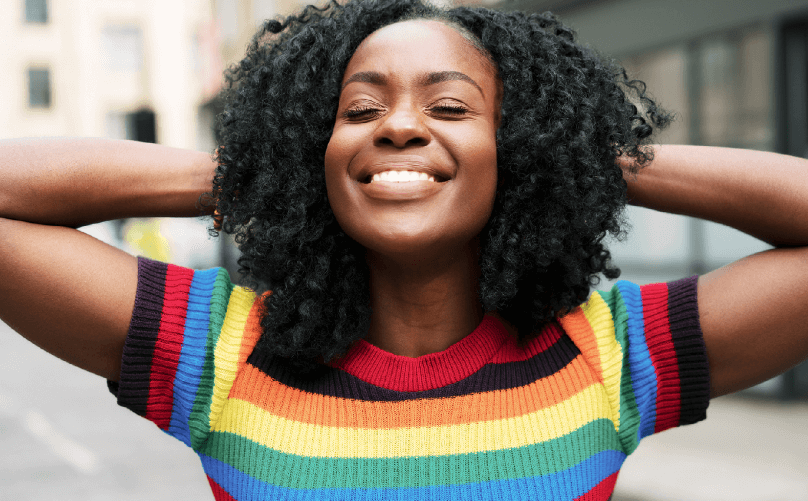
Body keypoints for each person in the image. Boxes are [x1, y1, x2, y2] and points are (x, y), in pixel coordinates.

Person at [1, 0, 807, 499]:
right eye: (360, 110)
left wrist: (586, 162)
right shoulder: (217, 350)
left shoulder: (612, 352)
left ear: (517, 148)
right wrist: (261, 174)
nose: (397, 125)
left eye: (450, 105)